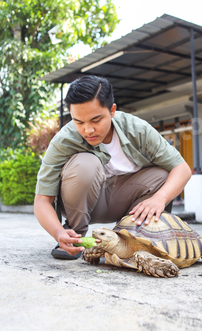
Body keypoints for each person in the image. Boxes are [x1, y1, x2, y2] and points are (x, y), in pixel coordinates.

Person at [34, 75, 192, 260]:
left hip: (126, 203)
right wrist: (58, 232)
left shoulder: (138, 129)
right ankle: (74, 235)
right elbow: (42, 200)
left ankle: (134, 237)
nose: (88, 130)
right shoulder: (63, 141)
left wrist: (160, 198)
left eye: (96, 120)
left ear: (112, 110)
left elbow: (182, 169)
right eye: (79, 122)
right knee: (86, 164)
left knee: (163, 175)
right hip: (85, 203)